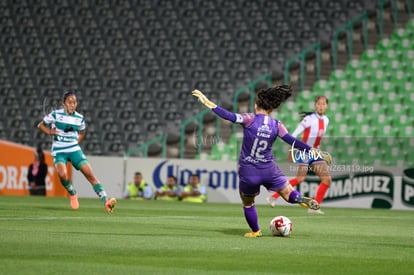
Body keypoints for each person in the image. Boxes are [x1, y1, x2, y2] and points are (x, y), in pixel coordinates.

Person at [192, 85, 330, 237]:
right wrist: (313, 151)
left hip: (248, 170)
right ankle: (298, 197)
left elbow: (228, 116)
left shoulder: (249, 118)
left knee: (248, 202)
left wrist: (207, 102)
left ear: (255, 105)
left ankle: (255, 231)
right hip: (269, 169)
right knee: (286, 192)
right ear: (271, 110)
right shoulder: (277, 125)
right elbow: (292, 141)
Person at [37, 90, 117, 213]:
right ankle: (72, 193)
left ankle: (106, 201)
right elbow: (40, 125)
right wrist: (49, 132)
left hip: (74, 149)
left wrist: (75, 143)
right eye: (70, 102)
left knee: (90, 175)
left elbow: (82, 132)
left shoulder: (79, 118)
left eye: (74, 102)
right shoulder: (55, 115)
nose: (72, 105)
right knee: (62, 175)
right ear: (63, 103)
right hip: (59, 150)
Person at [266, 96, 331, 214]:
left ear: (326, 106)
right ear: (315, 105)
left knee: (326, 180)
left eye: (323, 104)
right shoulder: (309, 119)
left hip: (316, 153)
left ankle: (314, 207)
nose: (321, 106)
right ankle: (274, 196)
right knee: (300, 178)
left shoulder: (326, 120)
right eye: (319, 104)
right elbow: (293, 135)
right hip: (304, 152)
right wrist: (291, 151)